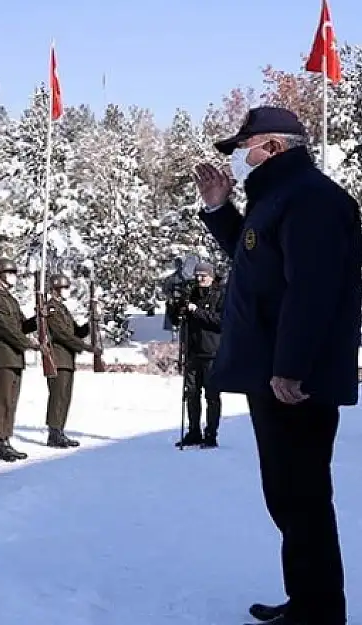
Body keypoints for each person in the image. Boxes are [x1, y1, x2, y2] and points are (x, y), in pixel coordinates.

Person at [195, 105, 362, 625]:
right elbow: (256, 266)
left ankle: (319, 612)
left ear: (273, 146)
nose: (239, 160)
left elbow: (312, 292)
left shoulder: (311, 200)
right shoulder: (276, 200)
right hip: (274, 375)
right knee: (289, 495)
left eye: (245, 147)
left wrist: (291, 367)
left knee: (303, 496)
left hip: (294, 381)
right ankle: (309, 601)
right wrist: (220, 209)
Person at [0, 257, 38, 462]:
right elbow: (6, 328)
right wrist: (28, 343)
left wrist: (37, 320)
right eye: (9, 273)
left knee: (11, 400)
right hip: (2, 351)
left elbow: (21, 326)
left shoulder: (10, 299)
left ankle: (6, 438)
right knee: (1, 398)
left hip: (14, 353)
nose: (13, 276)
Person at [165, 261, 224, 449]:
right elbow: (177, 320)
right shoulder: (192, 294)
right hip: (192, 351)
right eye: (197, 276)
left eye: (203, 276)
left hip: (212, 352)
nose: (199, 279)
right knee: (191, 393)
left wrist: (196, 311)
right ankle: (194, 432)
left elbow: (221, 322)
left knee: (211, 396)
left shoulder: (220, 295)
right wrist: (173, 306)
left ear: (211, 277)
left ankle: (211, 434)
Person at [41, 274, 98, 448]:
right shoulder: (51, 309)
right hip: (57, 358)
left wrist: (91, 321)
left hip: (67, 359)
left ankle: (60, 430)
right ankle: (54, 432)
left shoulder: (63, 309)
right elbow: (63, 335)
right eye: (63, 288)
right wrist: (88, 348)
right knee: (57, 396)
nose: (66, 291)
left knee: (65, 396)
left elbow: (77, 332)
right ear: (55, 290)